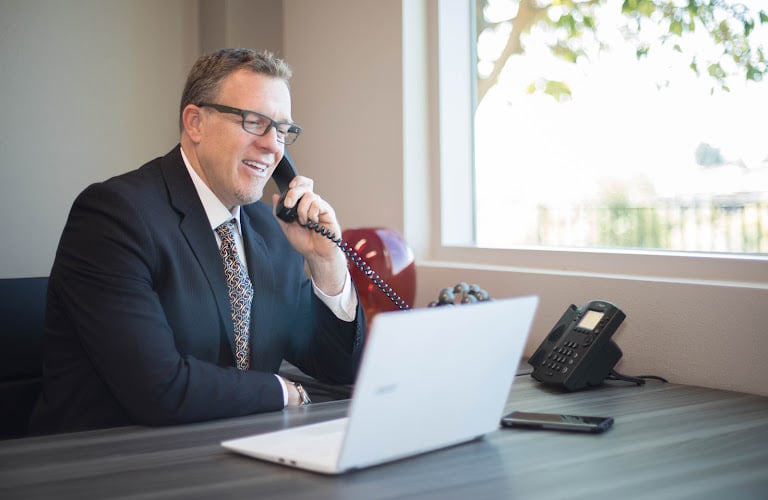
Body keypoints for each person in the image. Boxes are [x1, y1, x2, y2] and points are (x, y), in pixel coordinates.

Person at [29, 48, 366, 435]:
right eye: (254, 122)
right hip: (115, 455)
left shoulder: (271, 230)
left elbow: (338, 368)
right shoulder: (114, 217)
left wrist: (327, 263)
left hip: (237, 446)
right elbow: (158, 389)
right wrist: (280, 391)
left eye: (282, 130)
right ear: (195, 123)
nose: (274, 146)